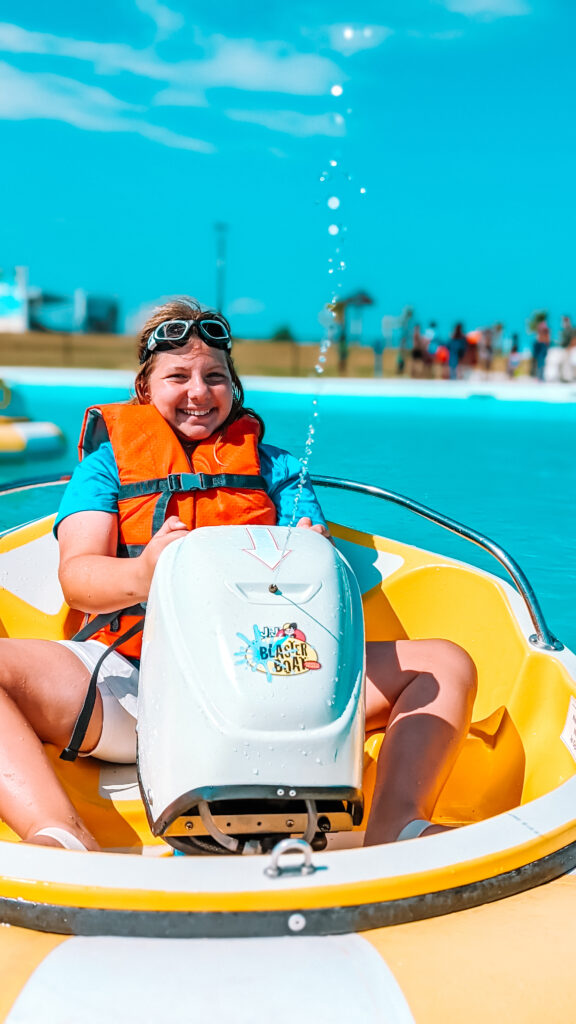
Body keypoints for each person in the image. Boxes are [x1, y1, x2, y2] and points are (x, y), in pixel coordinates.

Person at [0, 298, 476, 851]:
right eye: (177, 376)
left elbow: (313, 558)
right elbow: (78, 577)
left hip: (270, 673)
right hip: (130, 687)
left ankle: (397, 823)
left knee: (445, 664)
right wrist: (146, 571)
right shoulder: (106, 466)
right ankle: (57, 834)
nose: (199, 393)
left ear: (235, 385)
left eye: (215, 377)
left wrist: (308, 556)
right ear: (144, 387)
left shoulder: (275, 470)